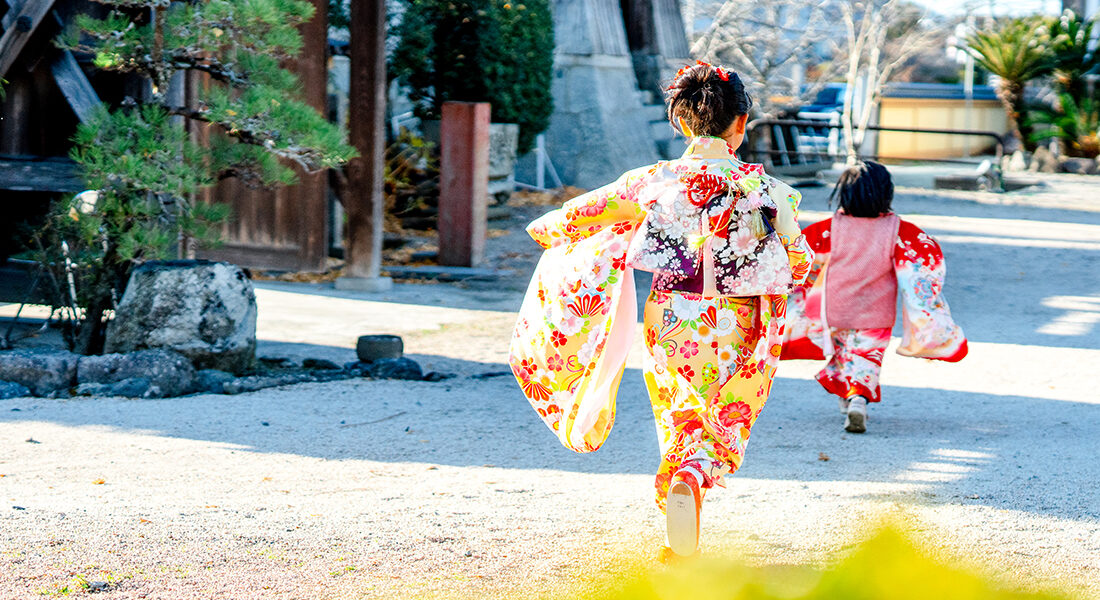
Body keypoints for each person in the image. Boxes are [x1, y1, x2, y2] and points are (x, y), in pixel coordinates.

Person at [509, 62, 813, 558]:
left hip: (673, 315)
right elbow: (799, 263)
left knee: (680, 412)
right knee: (728, 414)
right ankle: (696, 476)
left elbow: (565, 221)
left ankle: (681, 499)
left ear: (682, 122)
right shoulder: (769, 192)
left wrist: (560, 237)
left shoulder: (650, 181)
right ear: (740, 123)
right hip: (743, 321)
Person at [781, 161, 968, 433]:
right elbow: (923, 266)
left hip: (835, 308)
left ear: (844, 193)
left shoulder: (828, 229)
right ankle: (858, 398)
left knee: (844, 352)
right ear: (886, 194)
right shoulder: (900, 231)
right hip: (876, 314)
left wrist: (800, 293)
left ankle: (849, 397)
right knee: (865, 356)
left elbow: (800, 259)